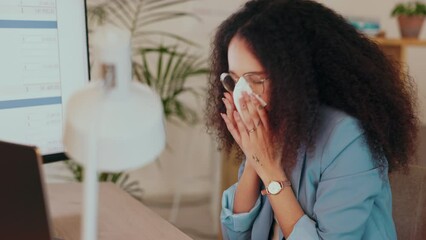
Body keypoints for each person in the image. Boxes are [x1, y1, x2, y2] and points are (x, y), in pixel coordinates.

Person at [205, 0, 419, 239]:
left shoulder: (349, 139)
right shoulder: (270, 125)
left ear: (297, 77)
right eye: (234, 80)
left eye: (255, 80)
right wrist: (254, 158)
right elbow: (235, 235)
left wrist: (270, 171)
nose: (242, 94)